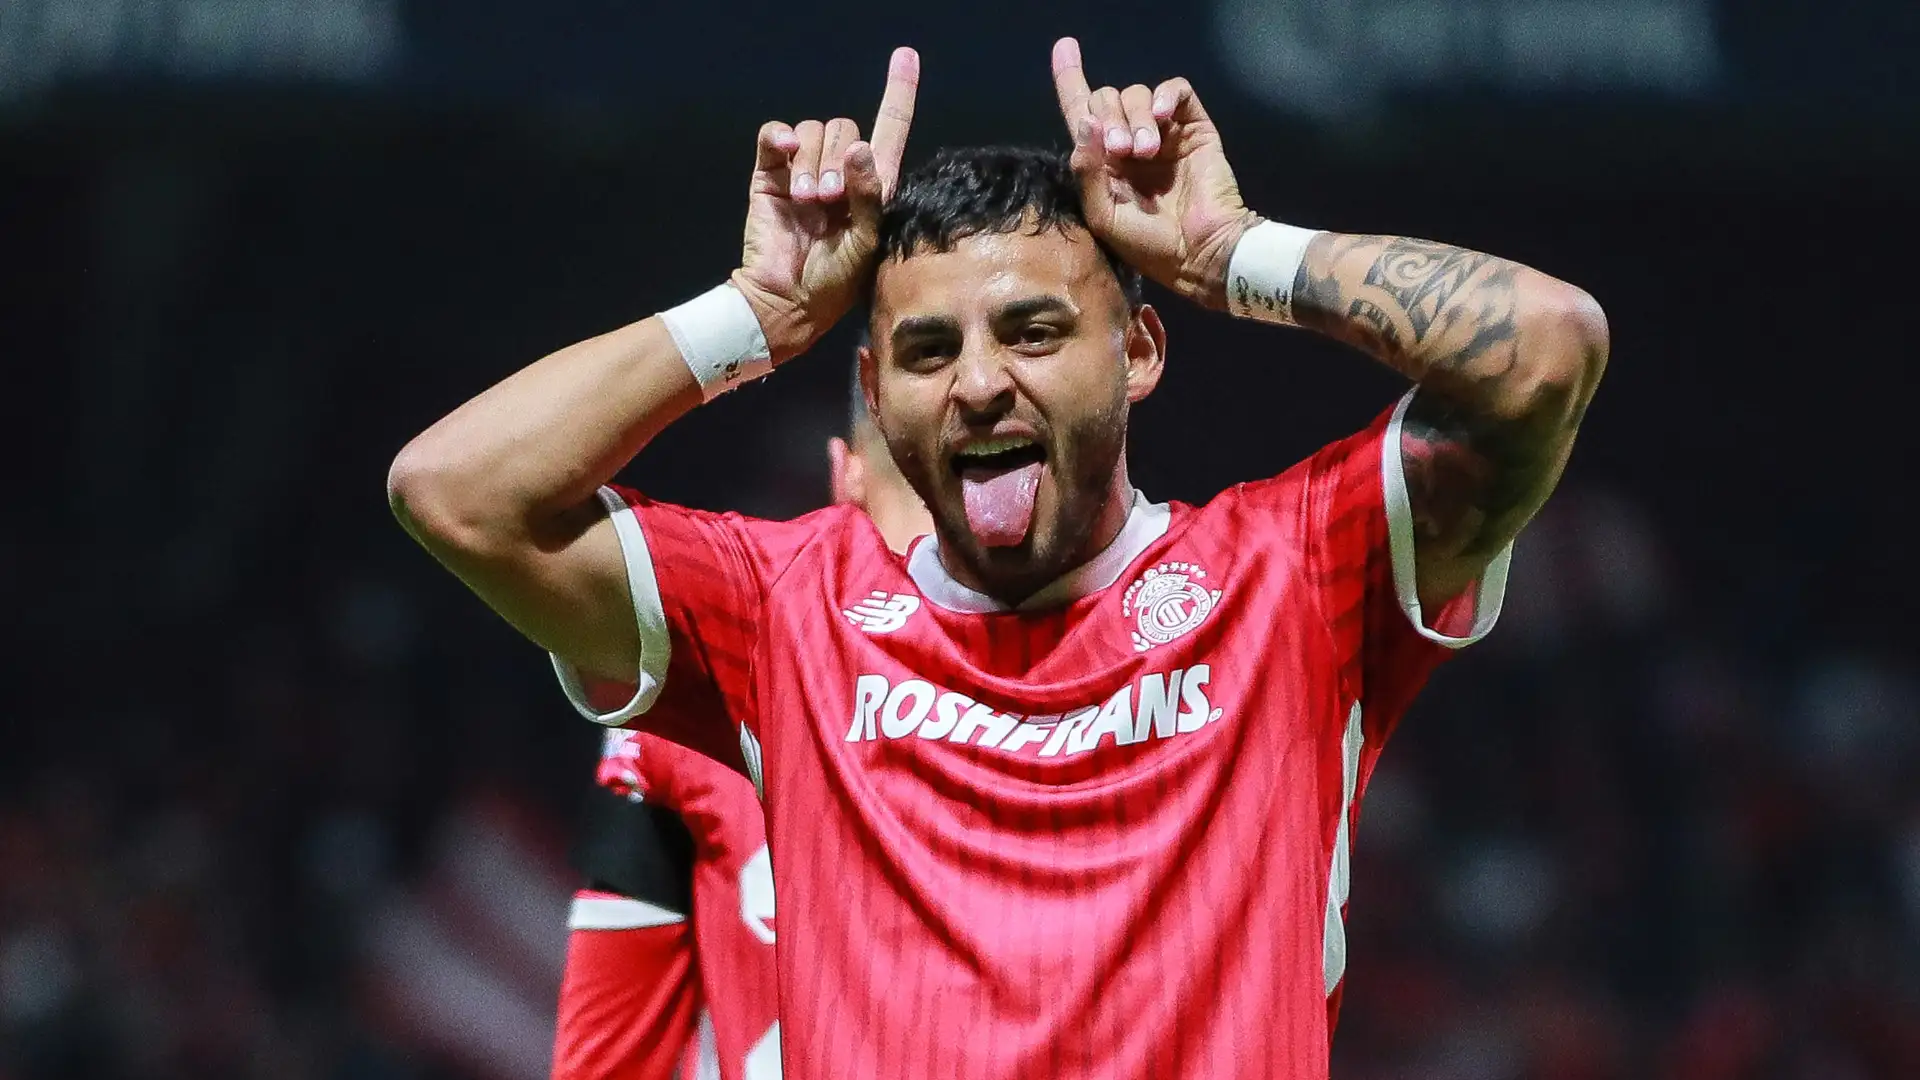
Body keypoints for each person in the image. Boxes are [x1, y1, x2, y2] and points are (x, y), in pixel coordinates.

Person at [390, 37, 1608, 1080]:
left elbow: (1547, 346)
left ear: (1139, 352)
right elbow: (456, 493)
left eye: (1032, 332)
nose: (978, 384)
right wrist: (753, 315)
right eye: (928, 351)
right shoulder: (784, 614)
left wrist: (1236, 252)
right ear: (875, 393)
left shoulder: (1291, 576)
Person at [551, 372, 931, 1080]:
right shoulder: (1128, 697)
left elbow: (607, 1060)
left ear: (842, 472)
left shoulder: (685, 705)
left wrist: (749, 324)